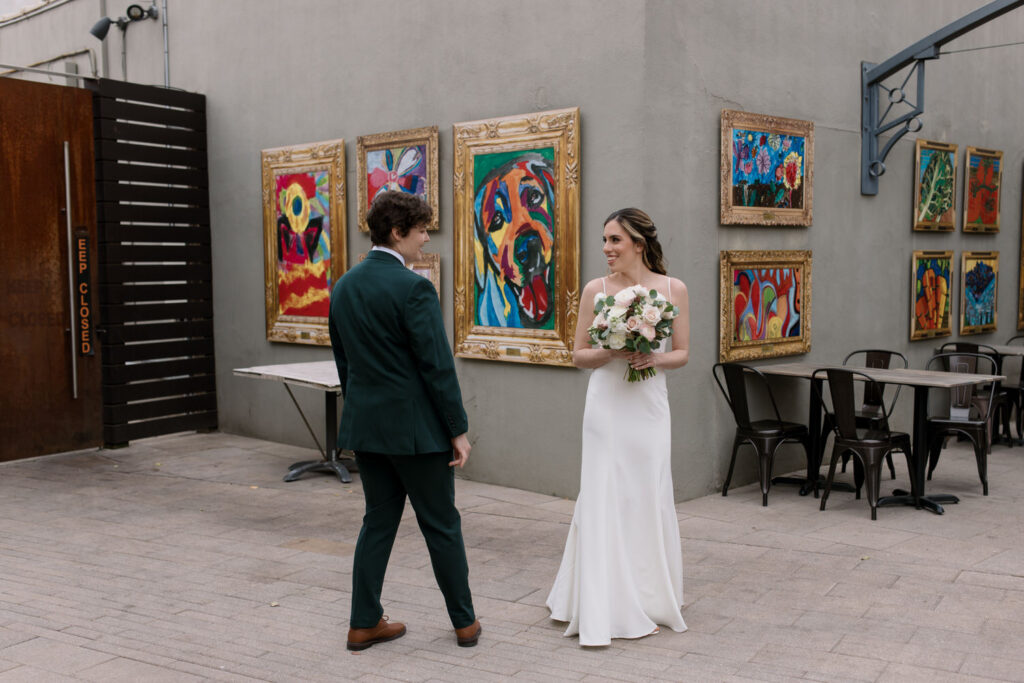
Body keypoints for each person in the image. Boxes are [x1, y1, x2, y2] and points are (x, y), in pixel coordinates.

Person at [329, 190, 481, 651]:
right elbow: (437, 366)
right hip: (417, 434)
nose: (426, 238)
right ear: (397, 232)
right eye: (421, 230)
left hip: (367, 428)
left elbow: (345, 364)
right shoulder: (414, 287)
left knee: (377, 522)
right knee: (440, 525)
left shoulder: (343, 286)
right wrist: (457, 428)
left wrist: (361, 412)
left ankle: (363, 622)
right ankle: (465, 624)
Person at [546, 207, 690, 647]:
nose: (606, 249)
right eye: (605, 241)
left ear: (639, 244)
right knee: (605, 491)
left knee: (646, 490)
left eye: (615, 241)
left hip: (648, 405)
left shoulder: (672, 289)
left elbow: (682, 352)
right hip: (606, 406)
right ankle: (600, 598)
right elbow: (578, 354)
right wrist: (612, 348)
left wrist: (653, 357)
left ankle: (649, 595)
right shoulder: (596, 289)